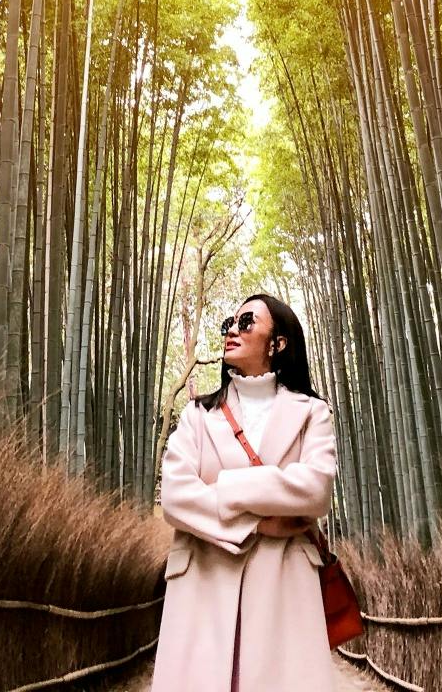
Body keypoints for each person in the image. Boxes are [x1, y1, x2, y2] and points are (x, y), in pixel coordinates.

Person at [152, 294, 337, 692]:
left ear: (278, 343)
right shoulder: (197, 415)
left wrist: (225, 488)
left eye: (247, 321)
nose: (232, 330)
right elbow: (176, 495)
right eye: (228, 323)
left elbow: (316, 488)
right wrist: (258, 524)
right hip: (203, 582)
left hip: (283, 584)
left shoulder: (311, 412)